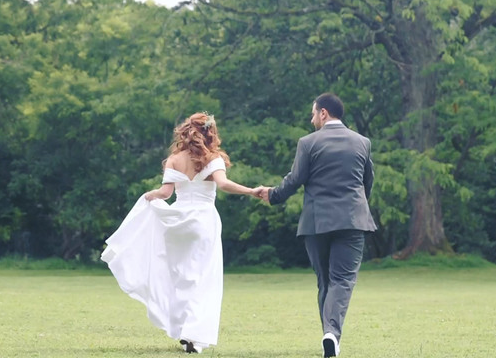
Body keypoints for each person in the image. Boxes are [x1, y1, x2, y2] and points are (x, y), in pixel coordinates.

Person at [101, 112, 263, 354]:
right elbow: (224, 185)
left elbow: (165, 193)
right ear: (210, 132)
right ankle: (194, 336)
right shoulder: (214, 158)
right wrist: (252, 191)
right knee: (203, 279)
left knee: (179, 277)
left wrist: (150, 196)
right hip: (203, 221)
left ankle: (182, 328)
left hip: (177, 222)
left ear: (186, 131)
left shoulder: (174, 159)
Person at [260, 93, 376, 358]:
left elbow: (295, 179)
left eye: (313, 114)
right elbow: (367, 182)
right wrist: (357, 209)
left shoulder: (308, 143)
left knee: (325, 281)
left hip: (316, 222)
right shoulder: (362, 142)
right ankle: (331, 335)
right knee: (343, 280)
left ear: (323, 113)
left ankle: (329, 335)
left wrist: (273, 195)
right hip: (352, 220)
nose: (312, 119)